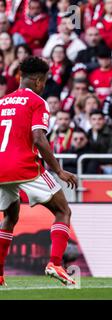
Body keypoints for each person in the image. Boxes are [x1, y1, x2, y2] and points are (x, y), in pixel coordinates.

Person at [0, 56, 78, 287]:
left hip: (1, 167)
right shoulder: (37, 102)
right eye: (43, 81)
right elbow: (39, 138)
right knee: (63, 210)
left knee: (10, 217)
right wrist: (59, 171)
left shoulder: (2, 102)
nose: (44, 86)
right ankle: (55, 263)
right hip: (24, 166)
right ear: (36, 81)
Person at [86, 110, 112, 174]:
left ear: (104, 120)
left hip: (110, 166)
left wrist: (96, 163)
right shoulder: (86, 135)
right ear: (90, 121)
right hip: (91, 165)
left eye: (100, 119)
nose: (97, 122)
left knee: (109, 171)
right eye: (94, 119)